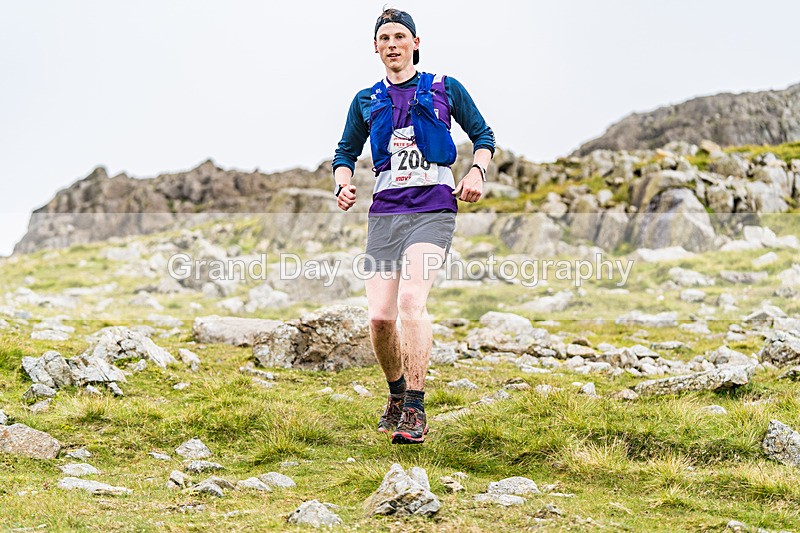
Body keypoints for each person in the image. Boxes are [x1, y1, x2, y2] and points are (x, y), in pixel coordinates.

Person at [332, 8, 495, 444]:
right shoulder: (366, 99)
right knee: (381, 317)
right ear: (375, 48)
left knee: (409, 301)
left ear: (415, 43)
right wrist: (342, 184)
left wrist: (477, 172)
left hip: (433, 208)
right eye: (384, 38)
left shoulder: (444, 87)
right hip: (386, 213)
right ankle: (396, 393)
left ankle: (417, 409)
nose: (392, 44)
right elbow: (344, 153)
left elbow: (484, 136)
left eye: (400, 36)